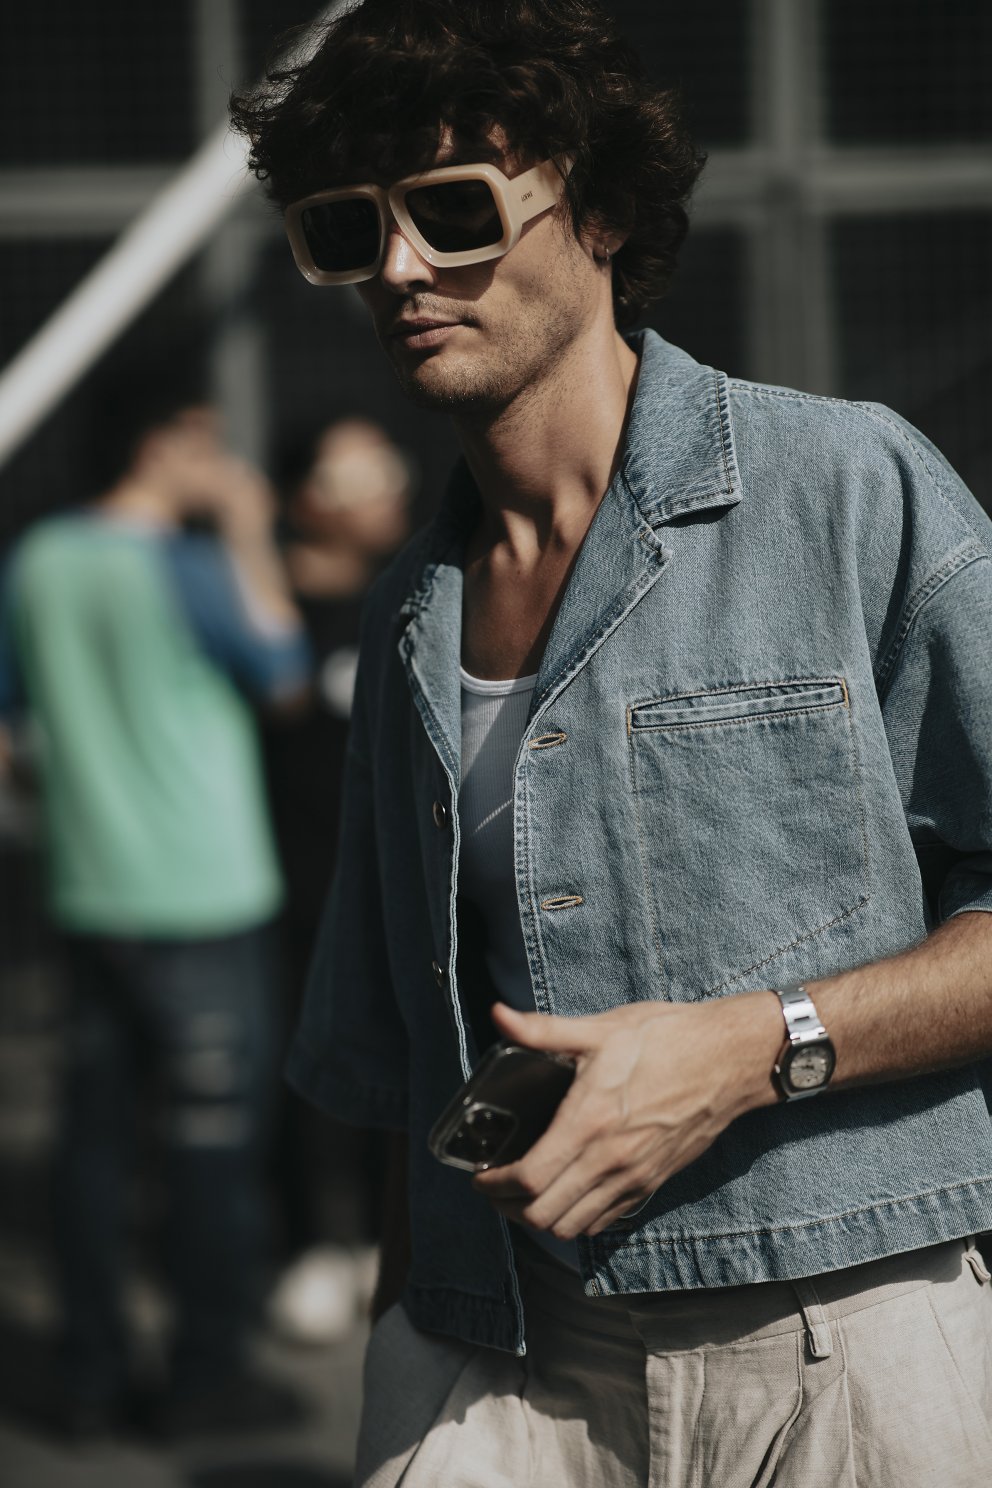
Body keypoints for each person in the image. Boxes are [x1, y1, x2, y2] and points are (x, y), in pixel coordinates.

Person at [231, 2, 992, 1482]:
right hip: (503, 1358)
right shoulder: (407, 614)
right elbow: (413, 1072)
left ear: (597, 212)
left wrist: (758, 1046)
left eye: (453, 211)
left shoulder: (844, 489)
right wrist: (403, 1372)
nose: (401, 270)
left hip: (837, 1333)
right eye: (345, 231)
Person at [0, 380, 310, 1437]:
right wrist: (250, 534)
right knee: (209, 1148)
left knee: (91, 1143)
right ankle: (204, 1377)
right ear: (157, 444)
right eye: (204, 441)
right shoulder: (186, 565)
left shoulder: (38, 557)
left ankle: (88, 1378)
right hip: (202, 892)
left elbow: (12, 724)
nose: (221, 463)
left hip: (90, 891)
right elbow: (283, 678)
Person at [264, 417, 413, 1343]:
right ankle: (307, 1245)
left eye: (387, 468)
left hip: (392, 877)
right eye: (355, 476)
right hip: (287, 884)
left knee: (397, 1057)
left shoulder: (418, 589)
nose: (386, 489)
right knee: (299, 1064)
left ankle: (373, 1239)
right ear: (304, 498)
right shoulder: (267, 608)